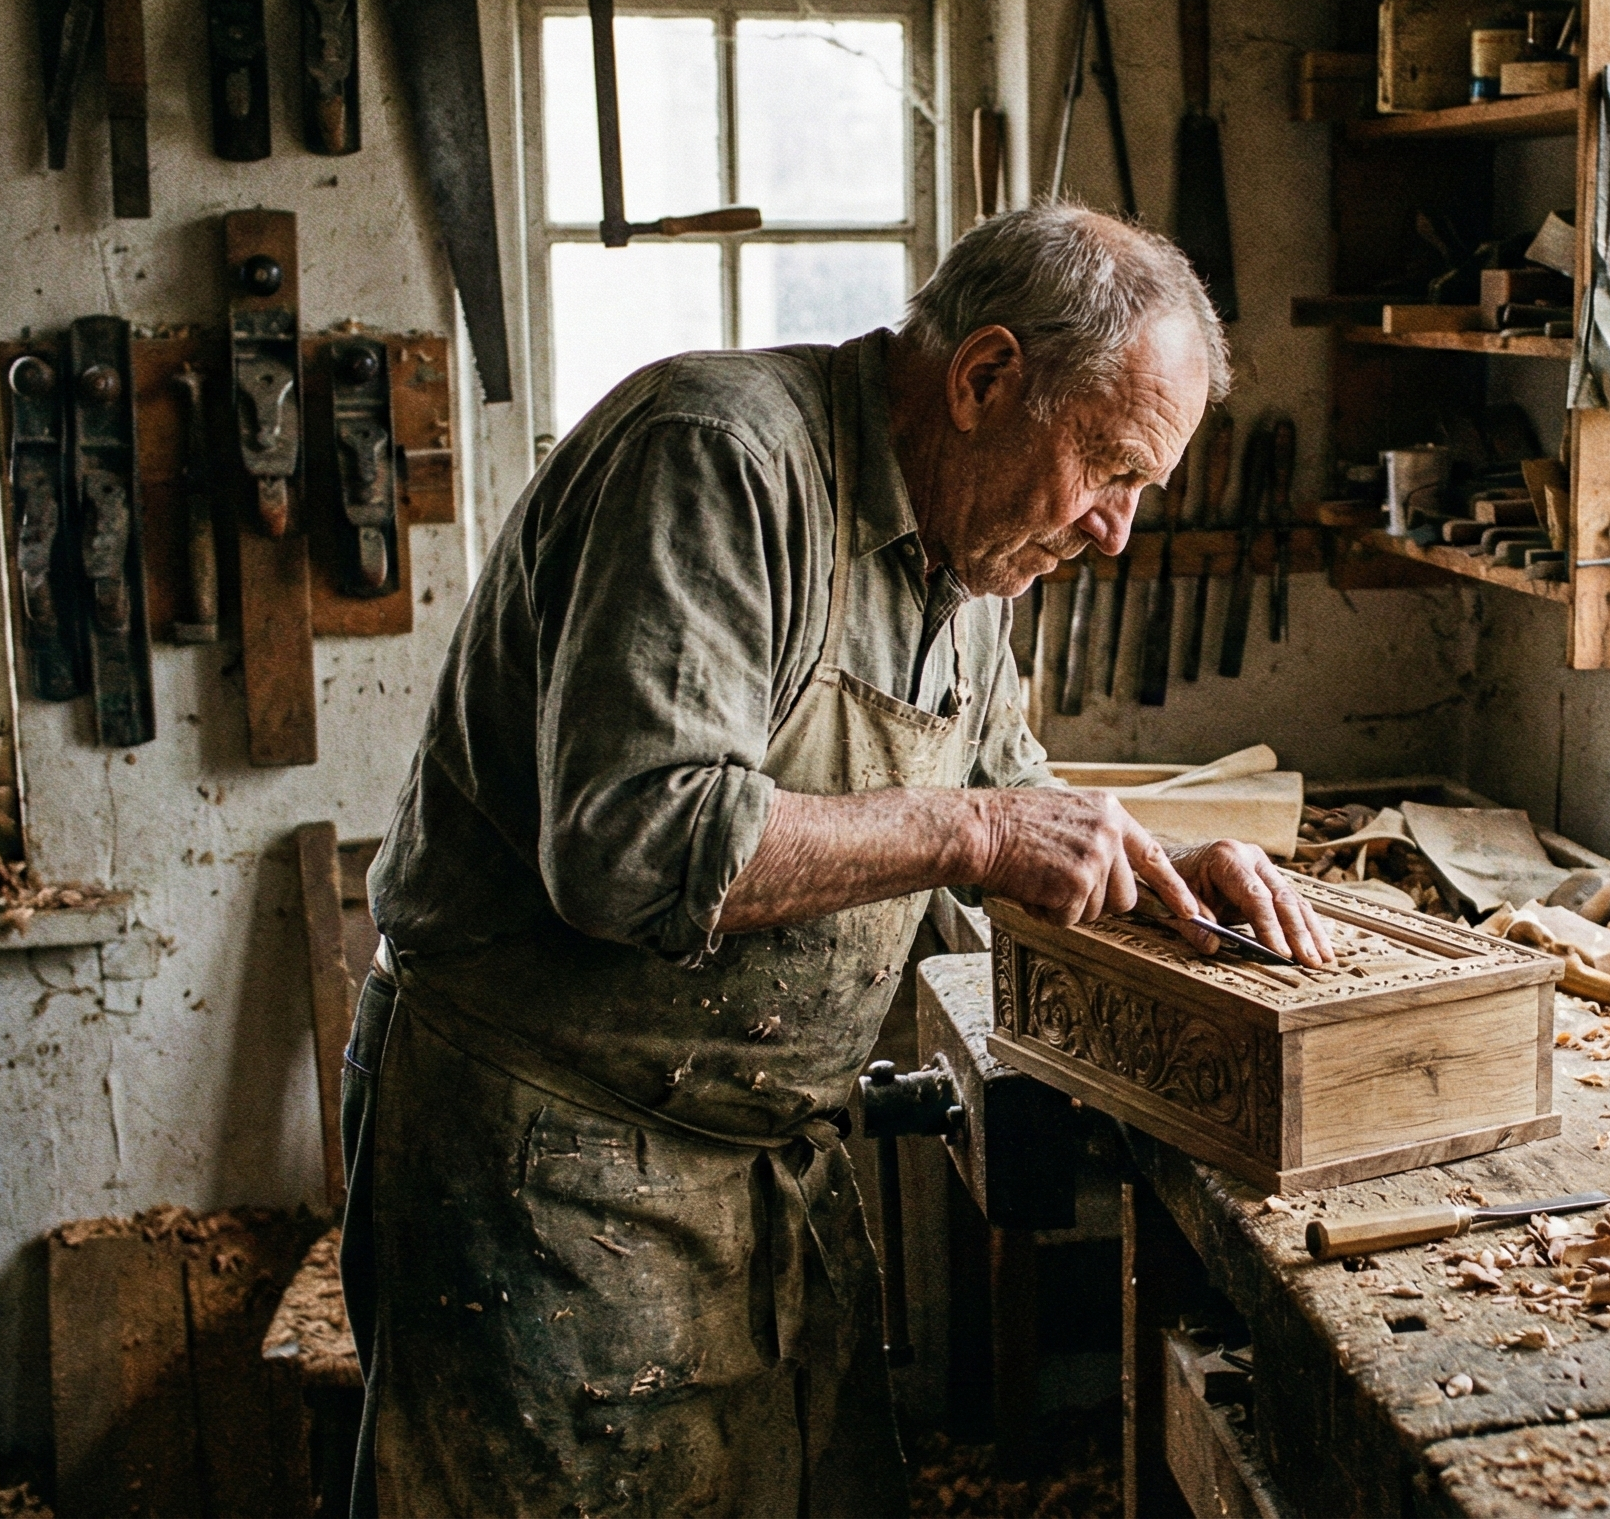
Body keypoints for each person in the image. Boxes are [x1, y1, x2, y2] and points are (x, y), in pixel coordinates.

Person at [338, 202, 1333, 1516]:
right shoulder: (718, 461)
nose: (1117, 534)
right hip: (545, 1176)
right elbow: (632, 841)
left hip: (758, 1178)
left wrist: (1156, 863)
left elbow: (1002, 782)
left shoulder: (970, 564)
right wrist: (971, 835)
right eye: (1111, 471)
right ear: (984, 379)